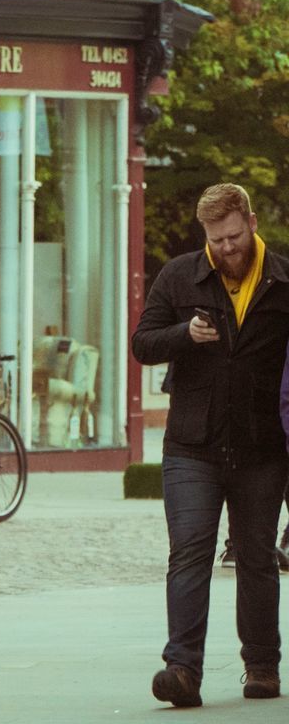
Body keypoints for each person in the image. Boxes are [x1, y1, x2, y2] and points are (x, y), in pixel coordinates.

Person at [133, 182, 289, 707]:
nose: (225, 249)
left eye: (232, 236)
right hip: (191, 446)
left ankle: (262, 666)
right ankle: (182, 670)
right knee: (190, 552)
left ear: (249, 221)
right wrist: (183, 335)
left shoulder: (284, 280)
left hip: (263, 447)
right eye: (215, 241)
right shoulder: (180, 275)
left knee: (257, 557)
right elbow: (142, 343)